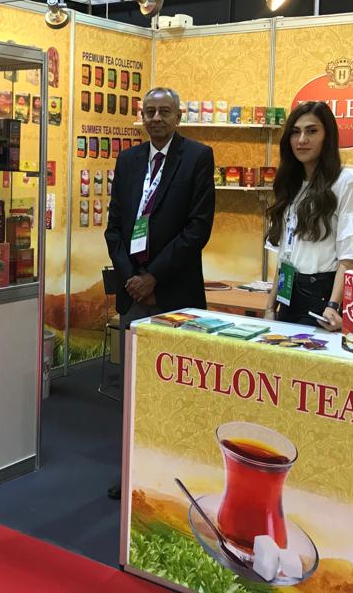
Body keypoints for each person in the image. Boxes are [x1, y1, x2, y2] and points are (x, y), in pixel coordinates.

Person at [104, 86, 215, 498]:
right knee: (135, 392)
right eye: (149, 111)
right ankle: (134, 474)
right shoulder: (129, 160)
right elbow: (115, 228)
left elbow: (197, 229)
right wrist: (133, 278)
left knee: (177, 392)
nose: (156, 118)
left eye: (164, 111)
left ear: (178, 116)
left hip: (175, 295)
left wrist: (154, 278)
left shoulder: (197, 157)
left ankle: (177, 481)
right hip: (134, 295)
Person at [263, 101, 353, 329]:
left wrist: (334, 306)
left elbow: (349, 256)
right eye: (295, 132)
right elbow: (286, 254)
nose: (302, 139)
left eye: (312, 131)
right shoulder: (291, 183)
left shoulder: (346, 181)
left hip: (323, 299)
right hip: (288, 296)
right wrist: (270, 307)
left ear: (328, 137)